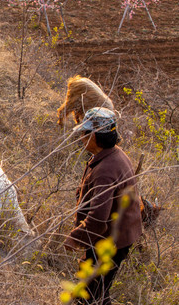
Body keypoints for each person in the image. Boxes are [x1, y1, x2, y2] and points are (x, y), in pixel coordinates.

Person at [64, 107, 143, 305]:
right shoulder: (113, 155)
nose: (81, 137)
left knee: (89, 295)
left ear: (95, 137)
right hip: (116, 236)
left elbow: (99, 218)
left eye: (85, 133)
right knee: (96, 289)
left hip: (111, 240)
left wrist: (75, 238)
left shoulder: (107, 169)